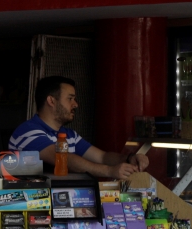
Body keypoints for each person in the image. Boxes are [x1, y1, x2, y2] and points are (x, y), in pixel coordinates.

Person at [9, 76, 149, 179]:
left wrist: (129, 158)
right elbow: (62, 158)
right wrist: (109, 171)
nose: (75, 104)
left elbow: (102, 157)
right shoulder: (28, 131)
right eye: (70, 98)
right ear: (51, 101)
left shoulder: (70, 135)